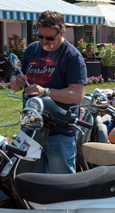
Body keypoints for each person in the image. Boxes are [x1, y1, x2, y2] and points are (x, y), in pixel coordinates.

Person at [11, 10, 86, 174]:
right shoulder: (32, 50)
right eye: (40, 36)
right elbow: (14, 85)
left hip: (60, 132)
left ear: (62, 32)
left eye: (50, 38)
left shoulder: (72, 56)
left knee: (61, 186)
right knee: (32, 183)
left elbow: (77, 95)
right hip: (31, 129)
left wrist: (45, 91)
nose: (44, 42)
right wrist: (17, 81)